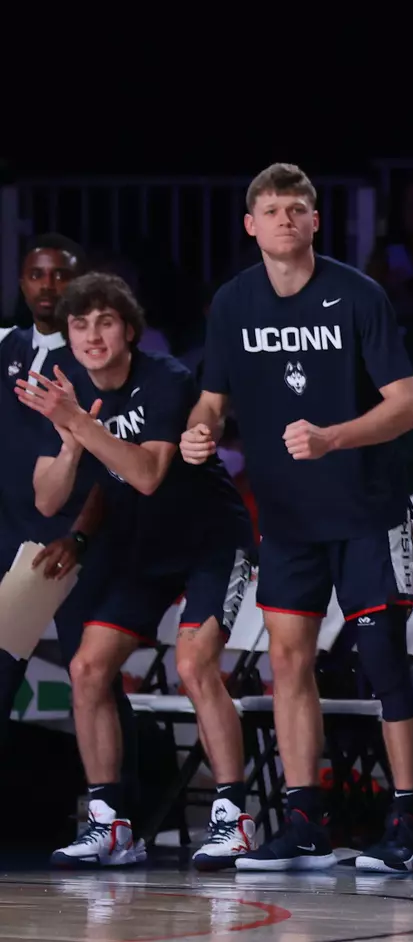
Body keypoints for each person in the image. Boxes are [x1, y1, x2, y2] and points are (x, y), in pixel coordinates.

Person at [181, 163, 413, 872]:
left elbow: (408, 405)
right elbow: (212, 398)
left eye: (298, 208)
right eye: (271, 209)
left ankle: (408, 814)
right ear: (251, 226)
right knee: (288, 660)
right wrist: (201, 430)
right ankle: (305, 818)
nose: (285, 218)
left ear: (315, 222)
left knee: (383, 659)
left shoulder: (358, 295)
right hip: (287, 518)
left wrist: (332, 437)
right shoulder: (232, 303)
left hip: (366, 509)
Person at [16, 273, 255, 869]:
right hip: (139, 550)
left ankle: (234, 816)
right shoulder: (69, 395)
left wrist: (81, 423)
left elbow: (146, 473)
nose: (92, 335)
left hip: (208, 541)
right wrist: (71, 439)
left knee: (194, 663)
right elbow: (50, 498)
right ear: (67, 335)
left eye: (104, 322)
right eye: (79, 324)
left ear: (128, 330)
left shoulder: (165, 378)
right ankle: (110, 823)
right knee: (87, 668)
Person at [0, 233, 97, 738]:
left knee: (93, 683)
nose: (48, 285)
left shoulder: (96, 355)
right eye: (37, 274)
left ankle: (123, 806)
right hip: (9, 538)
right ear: (22, 282)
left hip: (71, 542)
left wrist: (82, 536)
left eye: (60, 274)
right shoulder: (4, 344)